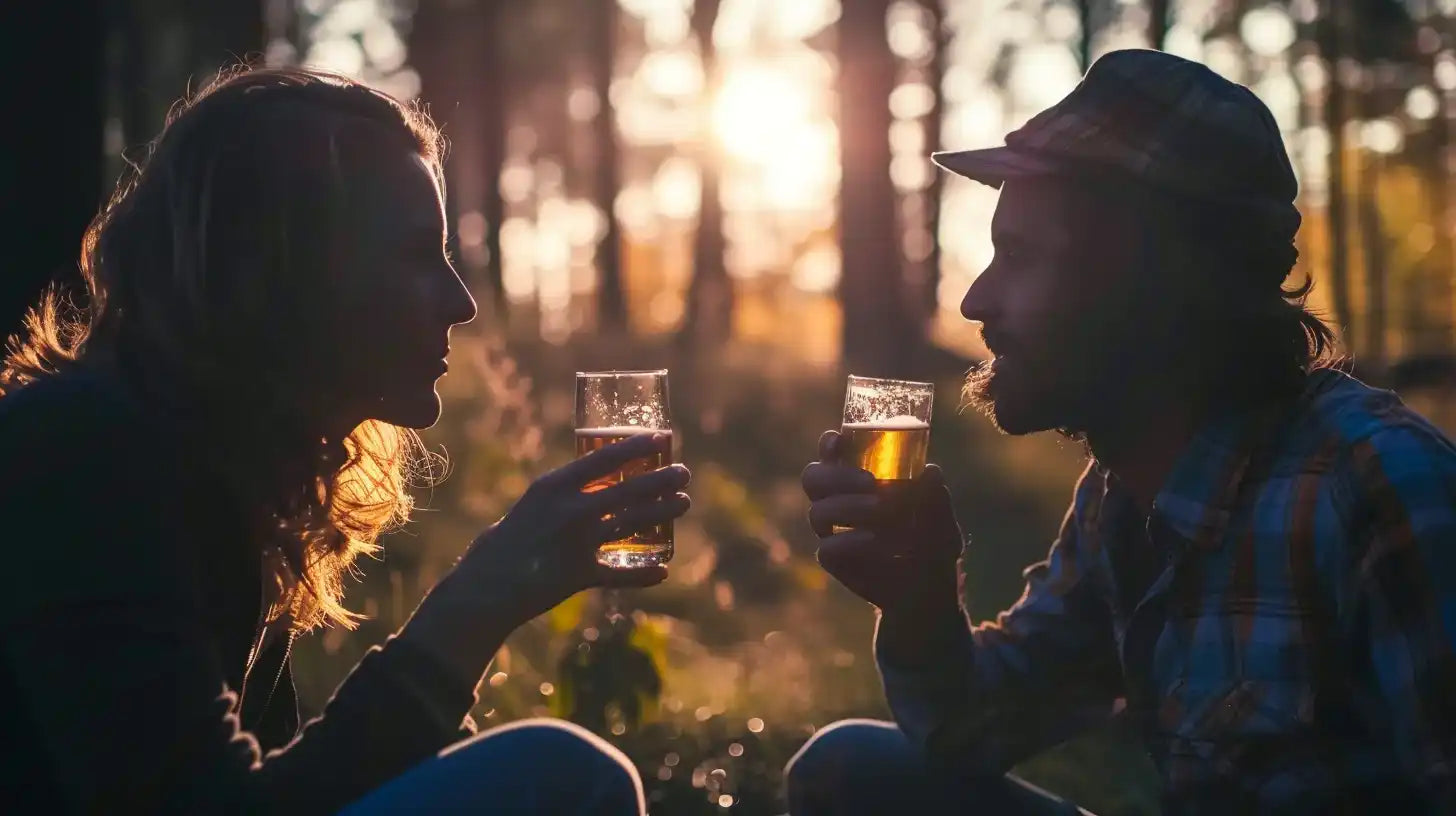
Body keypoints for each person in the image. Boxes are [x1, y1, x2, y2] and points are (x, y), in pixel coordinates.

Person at [0, 67, 692, 814]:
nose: (459, 303)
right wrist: (476, 605)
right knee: (558, 775)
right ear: (281, 266)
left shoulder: (224, 469)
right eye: (417, 255)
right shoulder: (83, 454)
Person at [791, 49, 1456, 814]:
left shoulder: (1382, 490)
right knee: (852, 769)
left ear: (1158, 286)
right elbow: (970, 729)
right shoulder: (1124, 493)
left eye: (1024, 257)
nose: (976, 302)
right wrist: (919, 599)